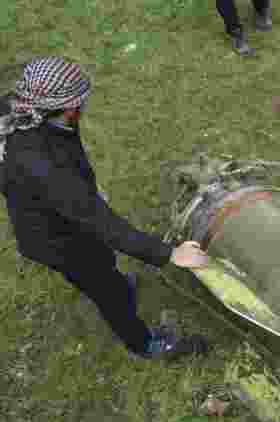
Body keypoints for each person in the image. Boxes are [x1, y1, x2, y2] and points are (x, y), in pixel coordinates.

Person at [0, 57, 211, 360]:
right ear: (70, 109)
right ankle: (144, 344)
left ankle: (116, 284)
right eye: (80, 104)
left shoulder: (23, 107)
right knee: (105, 289)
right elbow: (97, 220)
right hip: (55, 240)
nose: (82, 109)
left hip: (51, 214)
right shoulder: (41, 166)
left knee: (102, 263)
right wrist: (169, 253)